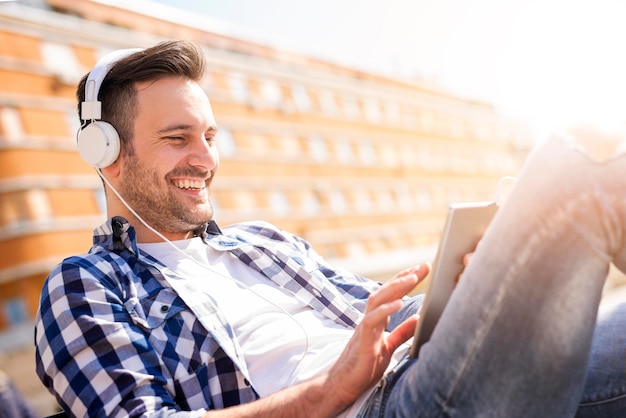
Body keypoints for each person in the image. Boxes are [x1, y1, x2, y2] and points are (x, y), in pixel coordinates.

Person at [34, 40, 626, 418]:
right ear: (104, 150)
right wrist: (330, 390)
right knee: (584, 154)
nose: (206, 159)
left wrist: (469, 295)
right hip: (383, 410)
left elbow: (378, 325)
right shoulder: (87, 284)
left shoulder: (263, 243)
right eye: (177, 138)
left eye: (209, 137)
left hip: (425, 375)